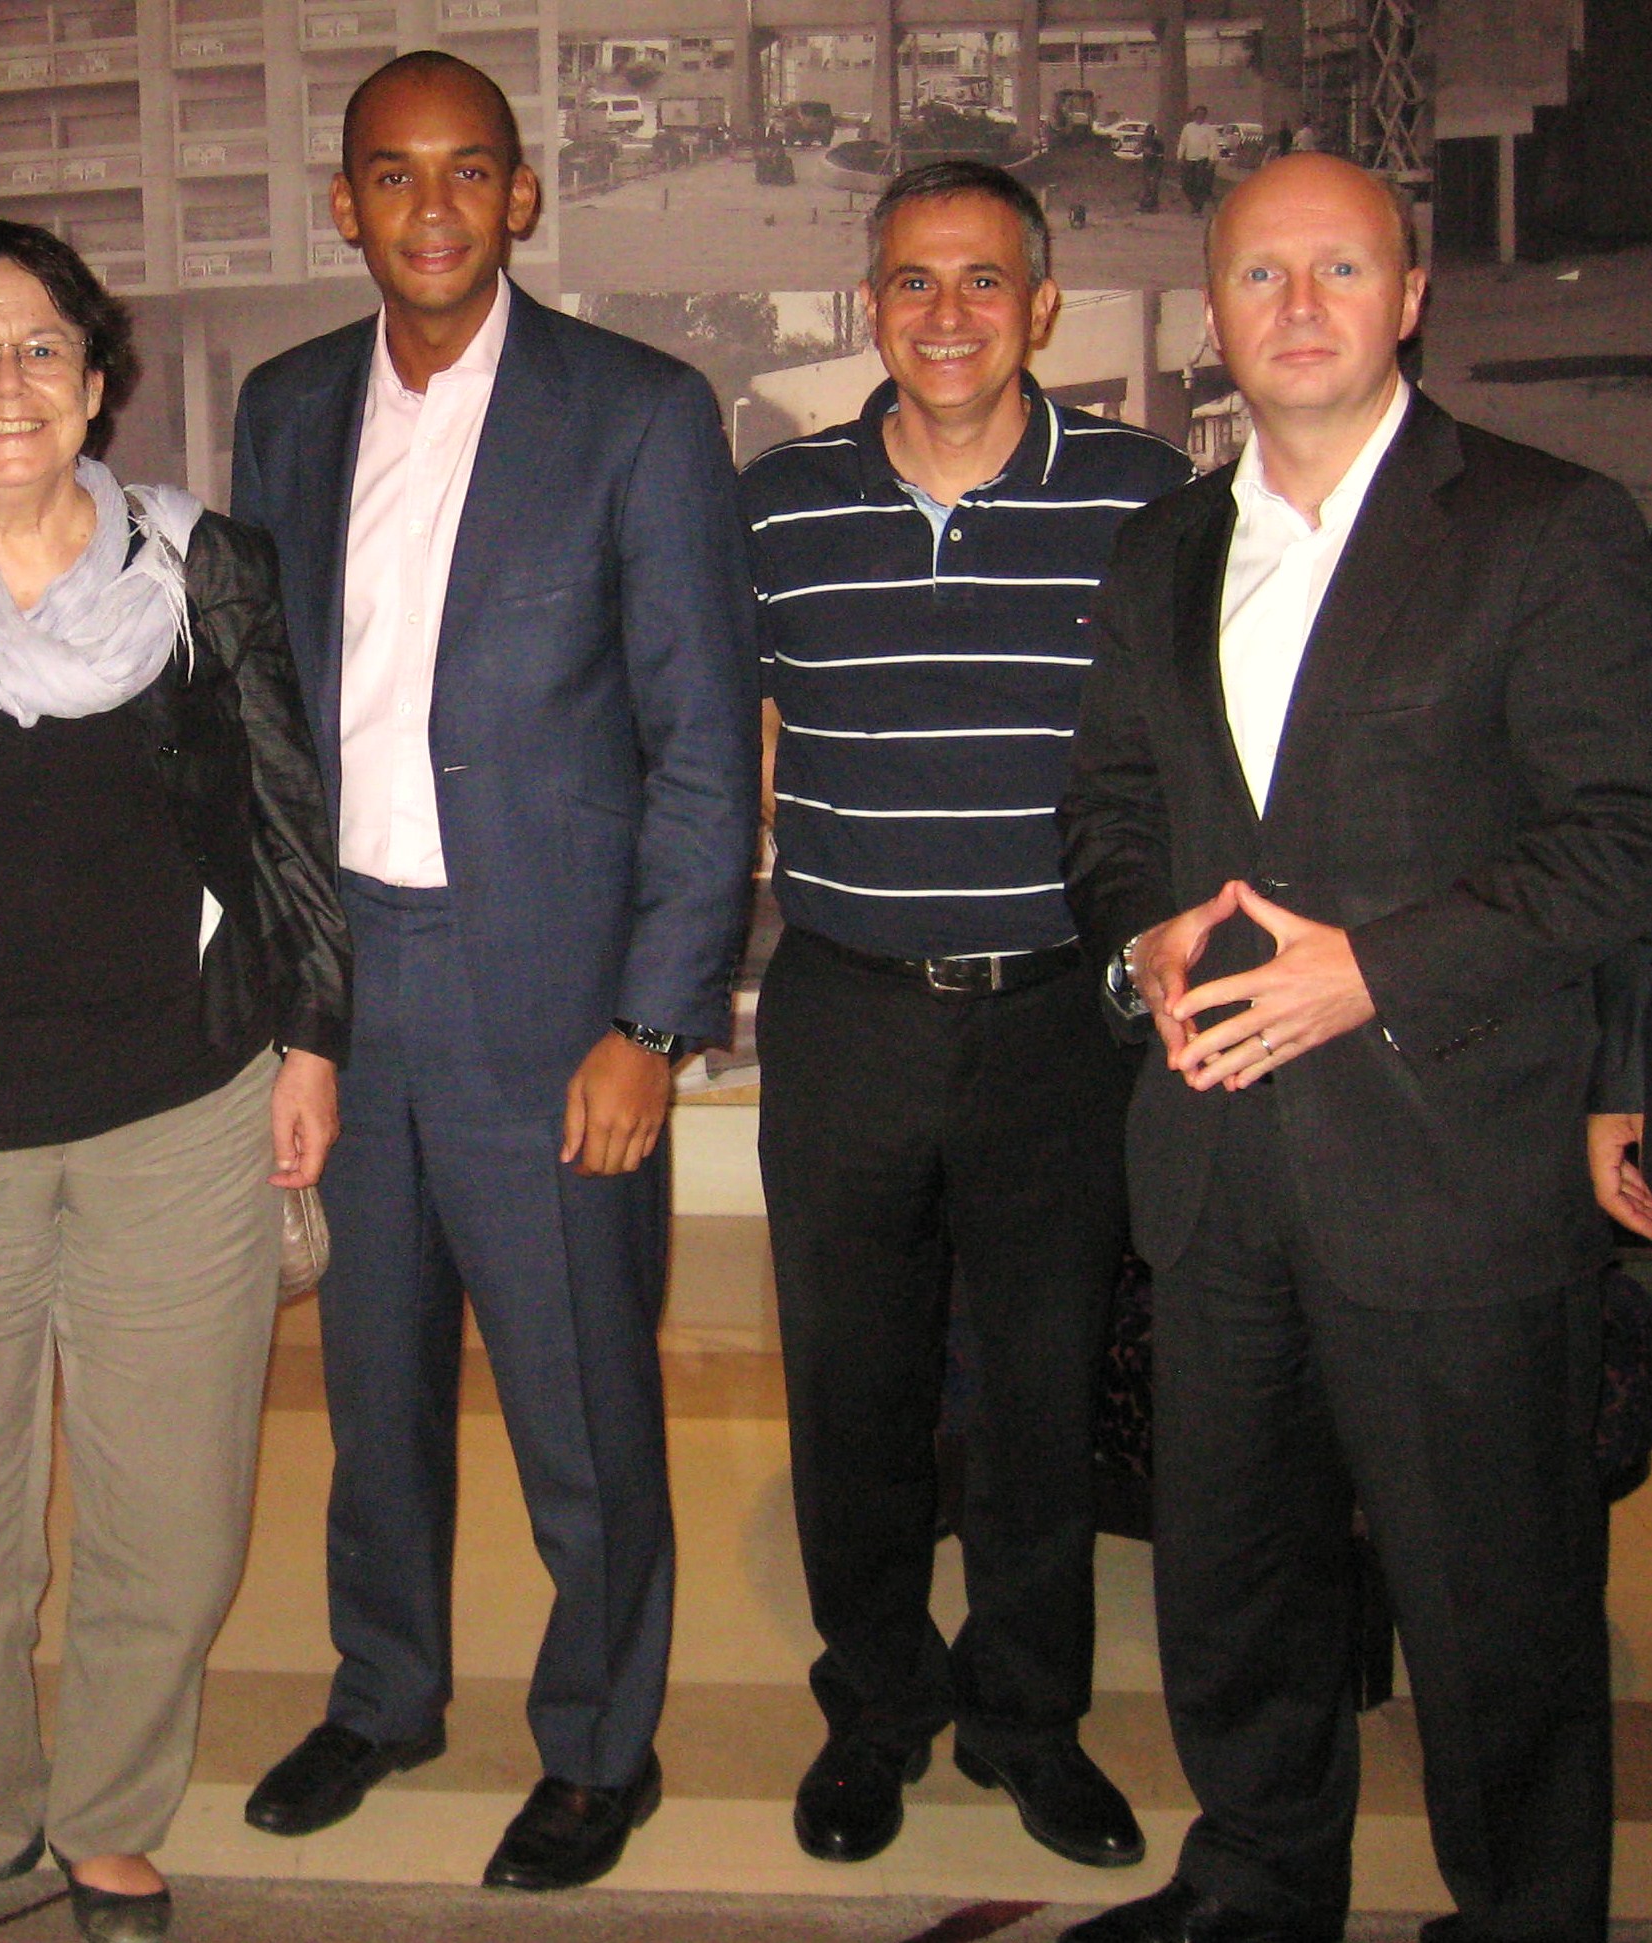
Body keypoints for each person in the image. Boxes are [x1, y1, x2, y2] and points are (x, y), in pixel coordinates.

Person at [1059, 153, 1652, 1943]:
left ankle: (1528, 1915)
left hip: (1453, 1163)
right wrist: (1137, 940)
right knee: (1235, 1585)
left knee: (1497, 1615)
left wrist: (1371, 972)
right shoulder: (1161, 545)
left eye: (1338, 269)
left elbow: (1621, 829)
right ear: (1217, 311)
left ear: (1409, 297)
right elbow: (1102, 807)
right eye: (1259, 274)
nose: (1295, 304)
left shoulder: (1550, 524)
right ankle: (1255, 1887)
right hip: (1220, 1167)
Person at [229, 49, 758, 1893]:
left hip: (545, 995)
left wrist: (648, 1017)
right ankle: (383, 1693)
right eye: (394, 173)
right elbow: (266, 722)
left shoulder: (636, 411)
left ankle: (600, 1739)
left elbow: (703, 744)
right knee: (371, 1388)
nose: (433, 204)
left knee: (580, 1398)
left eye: (469, 172)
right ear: (345, 202)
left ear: (522, 196)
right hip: (346, 982)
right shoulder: (284, 409)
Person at [0, 219, 347, 1943]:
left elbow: (283, 820)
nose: (7, 378)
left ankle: (108, 1811)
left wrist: (311, 1034)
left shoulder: (201, 567)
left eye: (42, 347)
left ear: (97, 385)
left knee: (168, 1501)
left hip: (178, 1103)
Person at [743, 160, 1193, 1873]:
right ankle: (873, 1702)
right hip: (845, 1008)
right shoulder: (774, 504)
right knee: (849, 1392)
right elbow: (713, 736)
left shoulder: (1146, 498)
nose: (947, 314)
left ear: (1043, 303)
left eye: (984, 282)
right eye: (915, 283)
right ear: (873, 304)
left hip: (1054, 1028)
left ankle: (1025, 1714)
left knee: (1033, 1395)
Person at [1176, 106, 1222, 216]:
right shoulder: (1188, 128)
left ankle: (1197, 208)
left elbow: (1213, 145)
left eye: (1202, 114)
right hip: (1189, 159)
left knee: (1200, 184)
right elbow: (1183, 143)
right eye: (1198, 114)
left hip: (1203, 159)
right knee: (1187, 184)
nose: (1199, 116)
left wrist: (1212, 159)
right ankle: (1194, 203)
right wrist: (1179, 156)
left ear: (1205, 116)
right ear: (1194, 115)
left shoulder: (1209, 129)